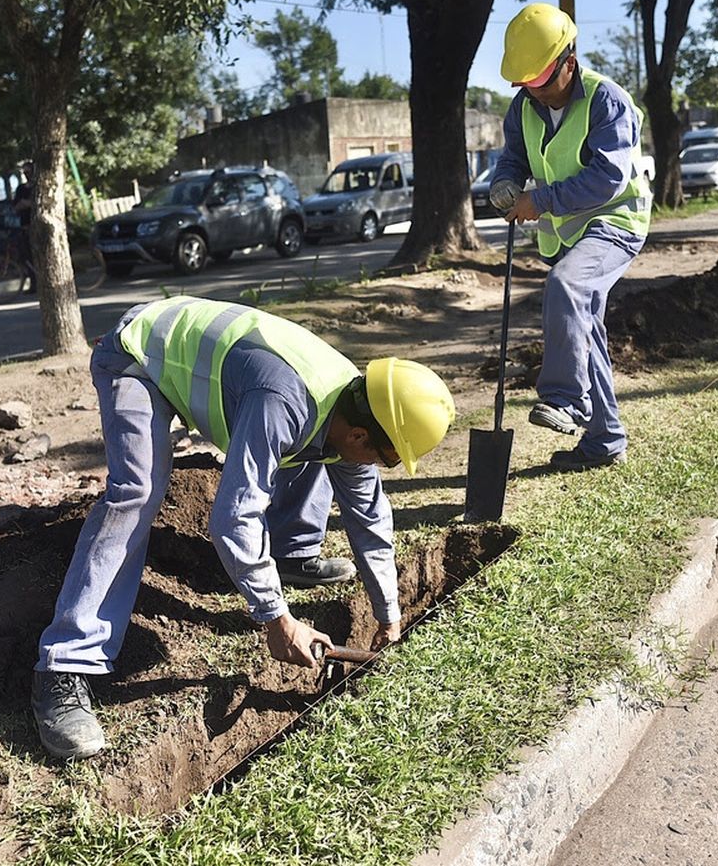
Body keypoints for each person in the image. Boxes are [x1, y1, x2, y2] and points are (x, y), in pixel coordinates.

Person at [31, 295, 456, 759]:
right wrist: (276, 617)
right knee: (138, 491)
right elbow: (232, 518)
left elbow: (370, 517)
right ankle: (63, 667)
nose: (379, 466)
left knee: (318, 450)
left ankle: (290, 554)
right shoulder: (285, 402)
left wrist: (388, 614)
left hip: (238, 375)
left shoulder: (353, 406)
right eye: (384, 456)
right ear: (361, 435)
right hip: (140, 351)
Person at [488, 2, 651, 472]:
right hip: (569, 232)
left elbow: (607, 179)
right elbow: (514, 158)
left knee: (565, 285)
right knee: (585, 329)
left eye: (540, 82)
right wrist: (506, 183)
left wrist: (537, 202)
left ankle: (567, 399)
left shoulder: (608, 101)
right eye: (524, 86)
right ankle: (604, 440)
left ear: (569, 63)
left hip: (616, 222)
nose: (533, 94)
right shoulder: (524, 108)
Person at [11, 160, 37, 293]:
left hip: (37, 226)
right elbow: (15, 207)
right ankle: (33, 282)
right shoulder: (21, 189)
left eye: (29, 172)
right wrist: (23, 204)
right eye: (25, 172)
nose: (27, 175)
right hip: (25, 225)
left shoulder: (39, 187)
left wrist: (29, 204)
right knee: (26, 256)